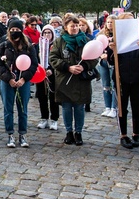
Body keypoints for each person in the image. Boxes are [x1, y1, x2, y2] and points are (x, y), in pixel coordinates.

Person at [109, 13, 139, 150]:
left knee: (137, 107)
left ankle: (136, 134)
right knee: (122, 108)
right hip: (121, 78)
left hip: (138, 78)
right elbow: (111, 61)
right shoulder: (116, 39)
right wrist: (112, 50)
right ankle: (123, 135)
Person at [50, 15, 95, 145]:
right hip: (65, 79)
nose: (75, 28)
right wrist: (68, 67)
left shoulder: (86, 40)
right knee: (66, 107)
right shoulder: (59, 41)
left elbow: (94, 58)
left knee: (79, 107)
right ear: (66, 27)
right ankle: (69, 132)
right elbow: (53, 58)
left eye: (77, 25)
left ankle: (78, 132)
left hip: (81, 80)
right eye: (72, 26)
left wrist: (84, 66)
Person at [0, 19, 38, 148]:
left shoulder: (29, 46)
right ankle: (10, 134)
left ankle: (22, 134)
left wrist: (23, 79)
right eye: (12, 30)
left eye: (17, 30)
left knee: (23, 109)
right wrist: (9, 79)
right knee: (8, 109)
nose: (15, 32)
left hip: (23, 81)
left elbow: (33, 64)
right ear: (9, 31)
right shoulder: (3, 45)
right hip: (7, 81)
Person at [35, 25, 60, 131]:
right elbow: (34, 59)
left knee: (53, 97)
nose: (47, 35)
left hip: (53, 75)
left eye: (49, 33)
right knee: (42, 97)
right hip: (40, 75)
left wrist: (52, 70)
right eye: (45, 33)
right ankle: (44, 118)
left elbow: (58, 60)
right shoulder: (37, 46)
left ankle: (54, 119)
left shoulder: (56, 46)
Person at [98, 15, 118, 118]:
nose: (110, 24)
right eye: (109, 22)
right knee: (106, 85)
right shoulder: (101, 34)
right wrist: (101, 55)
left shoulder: (118, 34)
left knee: (114, 84)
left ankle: (114, 107)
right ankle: (107, 107)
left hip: (114, 62)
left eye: (112, 22)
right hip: (103, 62)